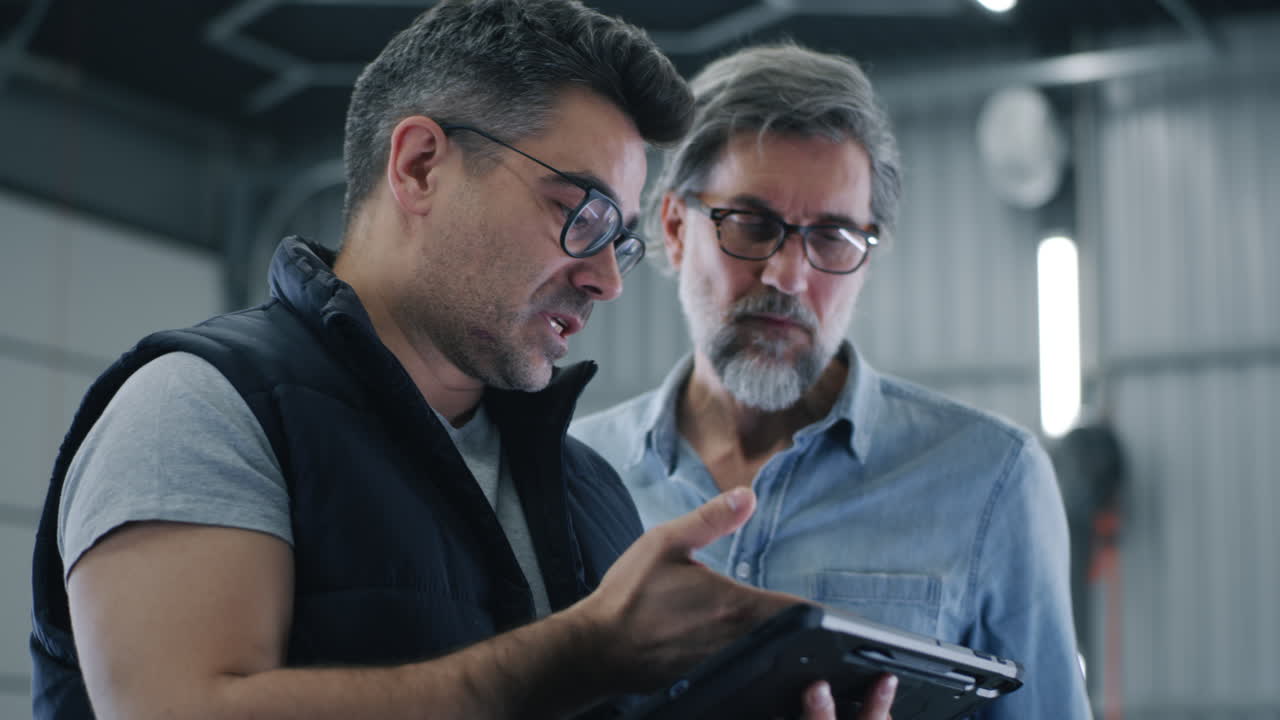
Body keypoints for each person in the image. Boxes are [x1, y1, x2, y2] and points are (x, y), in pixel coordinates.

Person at [28, 4, 897, 719]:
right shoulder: (202, 409)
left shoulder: (583, 486)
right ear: (419, 166)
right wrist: (573, 655)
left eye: (619, 243)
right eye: (580, 213)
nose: (603, 279)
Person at [572, 43, 1091, 719]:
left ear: (867, 256)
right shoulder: (575, 474)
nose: (788, 276)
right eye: (752, 225)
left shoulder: (992, 482)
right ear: (674, 227)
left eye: (834, 237)